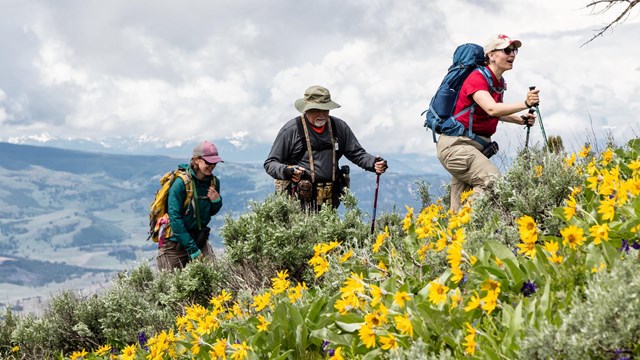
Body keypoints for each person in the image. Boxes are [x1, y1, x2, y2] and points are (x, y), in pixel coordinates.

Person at [437, 34, 540, 212]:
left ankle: (455, 233)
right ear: (491, 54)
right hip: (457, 148)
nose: (513, 54)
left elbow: (489, 112)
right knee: (493, 182)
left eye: (514, 50)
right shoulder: (477, 79)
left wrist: (519, 119)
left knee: (458, 206)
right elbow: (492, 109)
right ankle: (466, 224)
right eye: (507, 50)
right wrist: (525, 104)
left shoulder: (497, 82)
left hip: (468, 149)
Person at [264, 85, 388, 210]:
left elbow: (357, 154)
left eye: (326, 109)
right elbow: (270, 164)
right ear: (306, 109)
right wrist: (287, 170)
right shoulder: (291, 130)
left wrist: (373, 163)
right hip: (296, 202)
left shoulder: (339, 127)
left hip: (329, 201)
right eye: (316, 109)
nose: (322, 114)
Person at [157, 140, 223, 271]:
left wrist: (216, 201)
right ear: (196, 160)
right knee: (168, 287)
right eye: (209, 162)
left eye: (214, 162)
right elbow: (174, 218)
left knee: (213, 278)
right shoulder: (180, 184)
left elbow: (210, 212)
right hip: (175, 244)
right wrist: (192, 248)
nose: (212, 166)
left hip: (199, 240)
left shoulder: (214, 182)